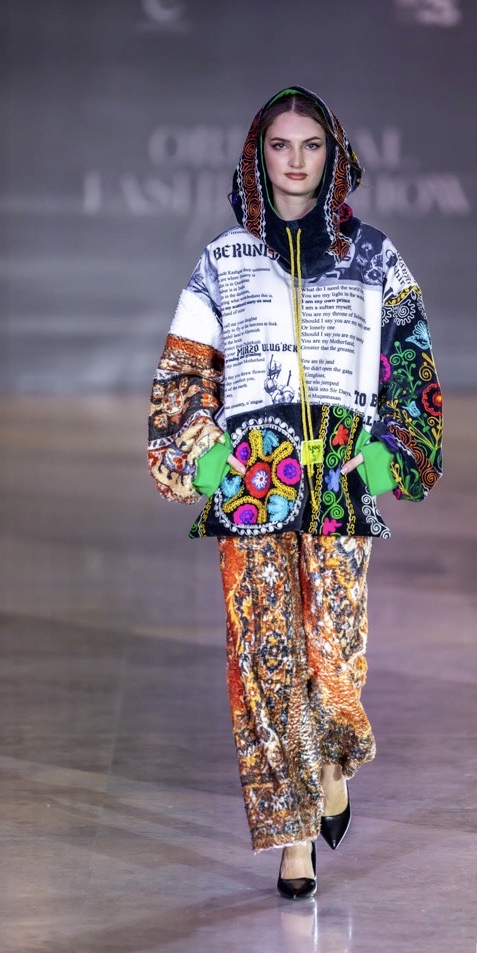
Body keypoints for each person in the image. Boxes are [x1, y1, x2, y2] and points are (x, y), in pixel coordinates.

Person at [147, 86, 443, 899]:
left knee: (335, 658)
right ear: (259, 154)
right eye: (281, 145)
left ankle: (334, 767)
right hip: (254, 491)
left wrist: (387, 457)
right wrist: (207, 457)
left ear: (334, 155)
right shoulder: (224, 260)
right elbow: (184, 371)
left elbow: (412, 362)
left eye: (312, 145)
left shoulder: (374, 256)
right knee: (265, 659)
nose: (296, 160)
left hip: (341, 484)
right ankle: (293, 838)